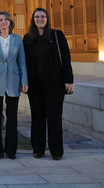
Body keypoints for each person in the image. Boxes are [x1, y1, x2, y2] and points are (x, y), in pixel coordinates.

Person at [23, 8, 73, 161]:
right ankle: (38, 149)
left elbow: (66, 58)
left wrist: (69, 80)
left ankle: (56, 151)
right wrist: (24, 82)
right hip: (35, 85)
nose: (40, 19)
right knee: (37, 117)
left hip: (55, 84)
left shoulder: (57, 35)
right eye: (37, 17)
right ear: (33, 19)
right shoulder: (27, 38)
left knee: (54, 117)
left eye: (42, 17)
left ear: (47, 18)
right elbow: (23, 62)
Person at [0, 11, 28, 160]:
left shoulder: (17, 39)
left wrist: (25, 81)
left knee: (12, 117)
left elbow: (21, 61)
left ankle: (11, 151)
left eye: (6, 20)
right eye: (1, 20)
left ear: (10, 23)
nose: (3, 22)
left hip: (13, 81)